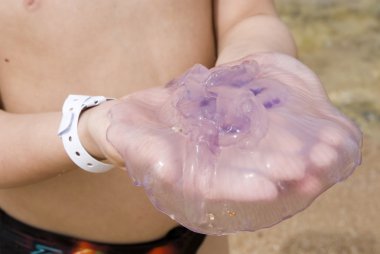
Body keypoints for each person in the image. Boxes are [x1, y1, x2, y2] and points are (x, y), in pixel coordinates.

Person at [0, 0, 296, 253]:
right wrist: (87, 131)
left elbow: (250, 15)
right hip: (49, 241)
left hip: (198, 229)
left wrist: (248, 72)